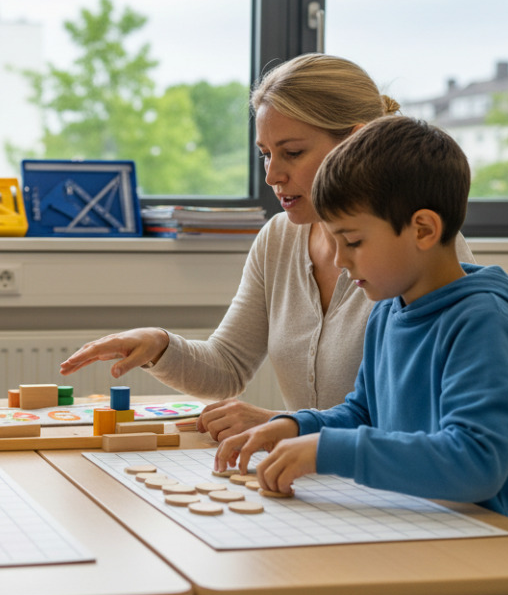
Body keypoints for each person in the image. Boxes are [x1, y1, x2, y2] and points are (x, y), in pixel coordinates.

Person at [200, 116, 508, 595]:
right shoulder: (390, 310)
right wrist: (297, 425)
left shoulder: (484, 323)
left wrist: (331, 450)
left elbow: (474, 464)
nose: (342, 263)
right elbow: (364, 411)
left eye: (353, 242)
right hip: (412, 549)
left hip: (487, 590)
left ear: (422, 229)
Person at [59, 54, 473, 441]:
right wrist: (159, 345)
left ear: (355, 142)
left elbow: (428, 428)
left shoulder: (415, 249)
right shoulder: (278, 238)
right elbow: (227, 368)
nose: (273, 174)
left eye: (292, 152)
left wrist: (287, 426)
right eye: (265, 154)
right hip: (323, 480)